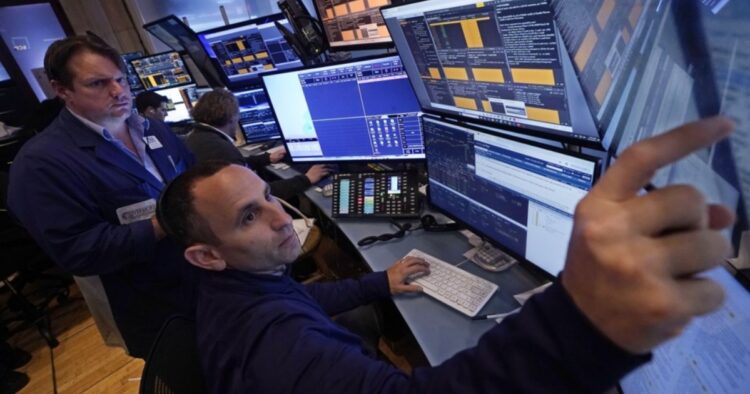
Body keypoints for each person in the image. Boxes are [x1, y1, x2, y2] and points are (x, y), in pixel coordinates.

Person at [157, 116, 735, 393]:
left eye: (267, 197)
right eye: (249, 217)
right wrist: (585, 318)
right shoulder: (278, 348)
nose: (283, 216)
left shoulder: (235, 291)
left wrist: (378, 284)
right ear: (206, 255)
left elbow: (301, 298)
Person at [7, 35, 197, 358]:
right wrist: (164, 222)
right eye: (98, 83)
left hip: (204, 280)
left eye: (120, 79)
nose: (119, 91)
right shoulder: (41, 164)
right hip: (152, 308)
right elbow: (78, 251)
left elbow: (193, 178)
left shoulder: (150, 128)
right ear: (62, 89)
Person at [185, 88, 330, 200]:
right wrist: (307, 178)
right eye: (238, 115)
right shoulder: (219, 148)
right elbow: (258, 194)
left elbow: (236, 164)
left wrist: (266, 158)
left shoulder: (199, 137)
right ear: (230, 118)